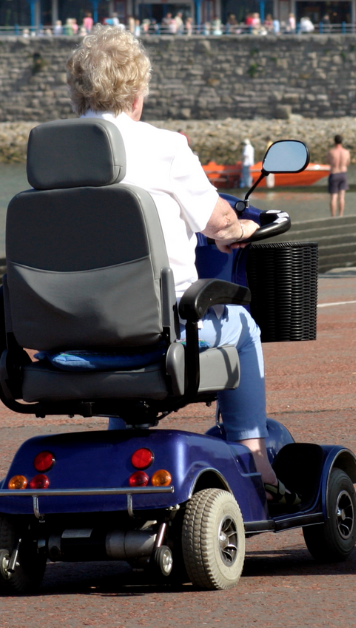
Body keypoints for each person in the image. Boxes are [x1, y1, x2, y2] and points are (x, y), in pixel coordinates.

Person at [65, 26, 299, 505]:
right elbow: (219, 223)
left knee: (123, 329)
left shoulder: (52, 153)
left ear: (78, 94)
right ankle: (255, 458)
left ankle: (122, 444)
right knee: (241, 324)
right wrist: (240, 228)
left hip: (70, 334)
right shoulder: (164, 146)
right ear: (136, 95)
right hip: (161, 329)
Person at [327, 135, 350, 217]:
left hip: (334, 173)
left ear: (334, 142)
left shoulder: (331, 152)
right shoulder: (346, 152)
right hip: (343, 174)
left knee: (333, 197)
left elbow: (328, 162)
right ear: (342, 142)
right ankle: (341, 215)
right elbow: (347, 163)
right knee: (341, 197)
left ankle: (333, 216)